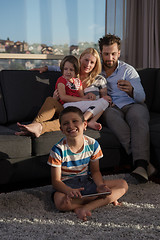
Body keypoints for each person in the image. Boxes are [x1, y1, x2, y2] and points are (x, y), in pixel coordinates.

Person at [48, 106, 128, 221]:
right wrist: (69, 191)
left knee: (123, 185)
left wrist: (100, 186)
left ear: (84, 125)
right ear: (61, 129)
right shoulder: (58, 150)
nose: (70, 126)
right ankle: (103, 200)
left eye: (75, 121)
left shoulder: (93, 144)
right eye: (66, 123)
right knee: (60, 203)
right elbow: (56, 182)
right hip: (66, 186)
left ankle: (85, 207)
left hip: (86, 182)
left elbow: (95, 171)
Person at [16, 48, 111, 137]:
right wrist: (46, 68)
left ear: (95, 65)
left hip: (84, 112)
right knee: (51, 101)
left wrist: (91, 99)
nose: (88, 64)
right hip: (69, 106)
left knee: (102, 102)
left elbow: (100, 100)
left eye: (92, 62)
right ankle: (33, 126)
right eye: (86, 60)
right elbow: (63, 68)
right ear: (80, 59)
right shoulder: (71, 75)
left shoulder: (98, 80)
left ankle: (40, 127)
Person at [98, 34, 151, 183]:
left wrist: (131, 90)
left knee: (138, 116)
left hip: (131, 104)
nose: (110, 58)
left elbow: (142, 97)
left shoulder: (128, 71)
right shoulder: (95, 69)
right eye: (106, 54)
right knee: (109, 115)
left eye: (113, 54)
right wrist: (48, 67)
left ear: (119, 53)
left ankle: (140, 165)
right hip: (111, 107)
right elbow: (75, 67)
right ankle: (144, 164)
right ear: (101, 52)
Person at [56, 55, 109, 130]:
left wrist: (88, 96)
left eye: (71, 70)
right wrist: (86, 100)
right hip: (67, 106)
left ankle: (91, 121)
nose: (68, 72)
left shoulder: (77, 81)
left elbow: (81, 97)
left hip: (78, 105)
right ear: (62, 69)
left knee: (105, 101)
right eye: (65, 69)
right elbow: (63, 97)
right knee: (97, 103)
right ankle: (81, 122)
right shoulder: (61, 80)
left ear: (76, 71)